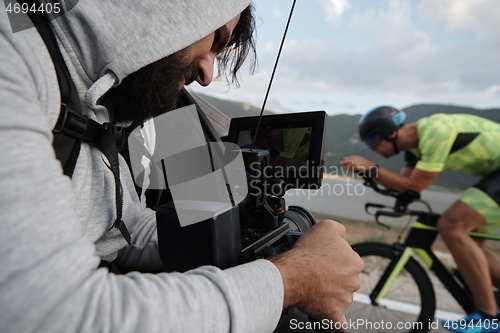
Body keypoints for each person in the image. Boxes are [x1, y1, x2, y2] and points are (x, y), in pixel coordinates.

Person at [0, 1, 363, 332]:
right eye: (215, 39)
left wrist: (237, 249)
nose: (208, 73)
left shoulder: (110, 107)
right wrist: (294, 277)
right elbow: (56, 315)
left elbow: (121, 228)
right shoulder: (13, 51)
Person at [341, 106, 500, 333]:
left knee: (451, 225)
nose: (373, 148)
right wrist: (370, 172)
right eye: (368, 144)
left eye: (373, 139)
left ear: (391, 132)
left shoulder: (435, 131)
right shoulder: (413, 150)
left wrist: (371, 167)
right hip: (494, 174)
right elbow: (403, 186)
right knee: (472, 248)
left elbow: (415, 185)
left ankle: (487, 317)